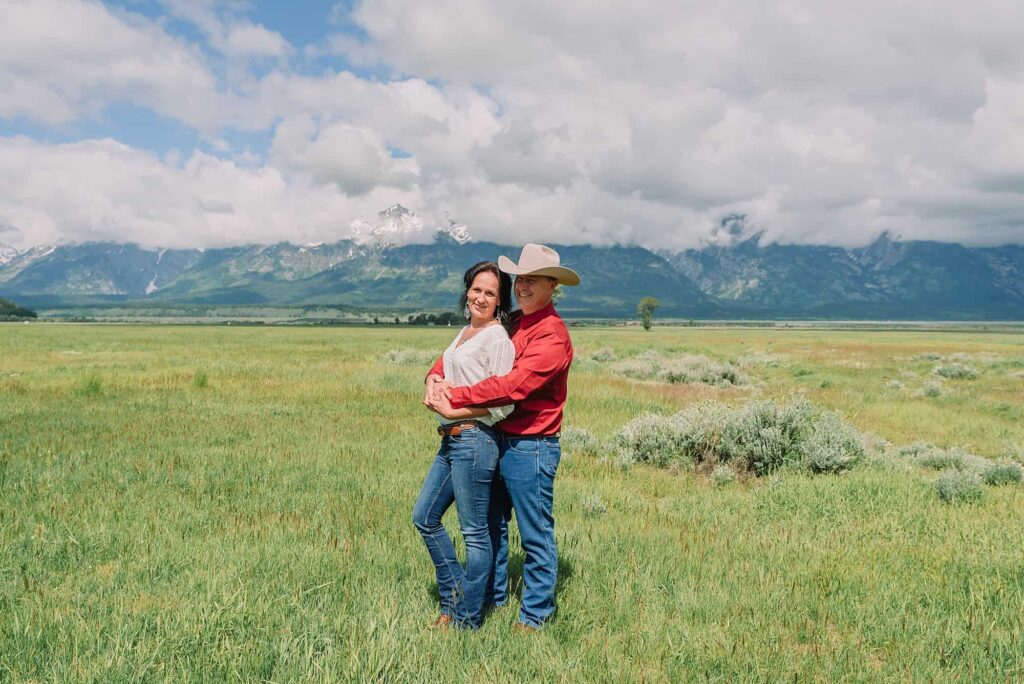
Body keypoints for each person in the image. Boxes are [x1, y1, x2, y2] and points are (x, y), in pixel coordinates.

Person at [426, 243, 580, 631]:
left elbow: (513, 387)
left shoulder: (553, 335)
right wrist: (435, 375)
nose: (524, 286)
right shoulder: (514, 320)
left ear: (552, 286)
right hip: (496, 439)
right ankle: (492, 600)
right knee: (492, 527)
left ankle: (534, 616)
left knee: (534, 533)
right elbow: (465, 348)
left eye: (534, 280)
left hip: (532, 445)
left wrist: (453, 398)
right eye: (521, 279)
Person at [412, 261, 515, 630]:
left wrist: (454, 407)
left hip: (474, 439)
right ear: (466, 290)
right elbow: (445, 368)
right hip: (451, 440)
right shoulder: (466, 332)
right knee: (424, 517)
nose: (480, 297)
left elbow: (504, 402)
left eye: (490, 292)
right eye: (476, 289)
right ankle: (455, 598)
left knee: (475, 535)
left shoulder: (496, 337)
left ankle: (466, 618)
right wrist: (433, 380)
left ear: (500, 300)